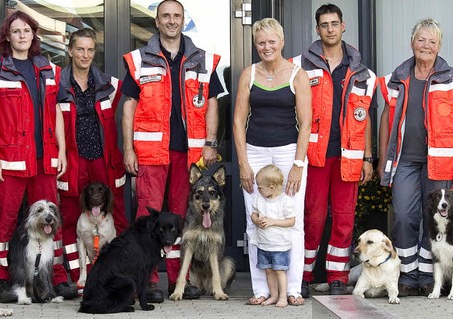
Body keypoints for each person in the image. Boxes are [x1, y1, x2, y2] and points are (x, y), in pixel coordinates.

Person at [121, 0, 223, 303]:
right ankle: (148, 280)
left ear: (183, 21)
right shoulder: (139, 60)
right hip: (151, 152)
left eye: (176, 16)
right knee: (147, 215)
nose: (171, 21)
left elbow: (213, 103)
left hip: (188, 154)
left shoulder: (204, 60)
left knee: (183, 217)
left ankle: (181, 280)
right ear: (157, 21)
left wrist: (211, 142)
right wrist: (128, 148)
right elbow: (129, 105)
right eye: (165, 16)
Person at [0, 11, 77, 302]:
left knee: (50, 219)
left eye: (27, 31)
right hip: (9, 158)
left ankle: (54, 278)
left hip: (44, 158)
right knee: (5, 220)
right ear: (7, 36)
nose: (22, 35)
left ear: (34, 35)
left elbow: (58, 111)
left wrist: (61, 151)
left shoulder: (49, 70)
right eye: (16, 31)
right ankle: (1, 279)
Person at [377, 18, 453, 297]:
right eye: (421, 40)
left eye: (432, 41)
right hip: (404, 160)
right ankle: (407, 275)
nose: (426, 46)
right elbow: (386, 120)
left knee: (435, 219)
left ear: (439, 46)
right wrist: (384, 158)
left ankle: (429, 277)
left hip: (440, 161)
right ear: (412, 43)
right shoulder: (398, 77)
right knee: (404, 215)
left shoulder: (452, 78)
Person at [296, 3, 377, 297]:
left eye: (334, 24)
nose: (330, 29)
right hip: (314, 156)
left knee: (344, 218)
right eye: (324, 25)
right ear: (317, 30)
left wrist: (368, 157)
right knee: (312, 218)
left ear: (343, 27)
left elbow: (365, 116)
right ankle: (302, 276)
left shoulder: (362, 72)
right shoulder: (300, 65)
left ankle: (338, 276)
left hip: (349, 156)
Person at [233, 17, 311, 307]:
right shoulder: (248, 74)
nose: (266, 47)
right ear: (256, 45)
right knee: (256, 221)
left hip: (288, 153)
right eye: (261, 42)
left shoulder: (297, 75)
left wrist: (298, 165)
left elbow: (305, 125)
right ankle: (261, 290)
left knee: (293, 221)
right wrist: (243, 163)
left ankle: (293, 289)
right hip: (254, 152)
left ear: (282, 42)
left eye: (271, 41)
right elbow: (239, 121)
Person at [57, 28, 128, 292]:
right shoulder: (57, 85)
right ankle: (78, 279)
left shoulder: (110, 85)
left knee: (115, 215)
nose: (85, 55)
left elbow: (129, 112)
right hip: (74, 160)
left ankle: (113, 275)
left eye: (90, 50)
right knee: (70, 218)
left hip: (103, 159)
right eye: (80, 49)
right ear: (70, 51)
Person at [251, 164, 296, 308]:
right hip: (263, 244)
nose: (258, 189)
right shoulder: (260, 199)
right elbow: (253, 214)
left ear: (271, 186)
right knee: (269, 271)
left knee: (279, 271)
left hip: (279, 245)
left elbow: (291, 221)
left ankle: (283, 296)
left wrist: (272, 222)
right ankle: (274, 295)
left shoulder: (284, 201)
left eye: (260, 187)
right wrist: (257, 220)